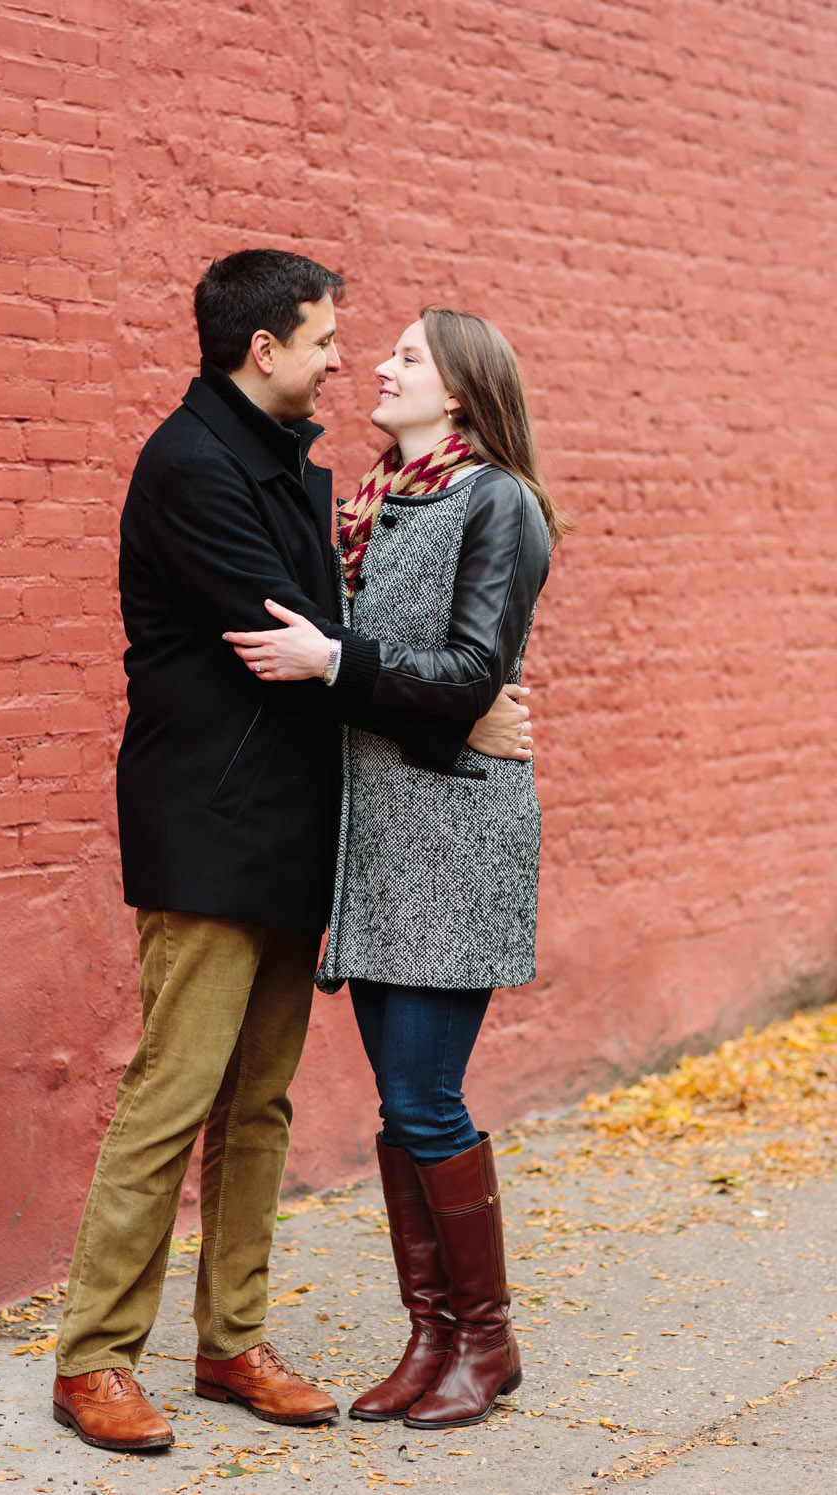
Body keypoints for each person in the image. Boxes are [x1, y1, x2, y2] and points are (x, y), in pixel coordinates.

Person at [51, 252, 534, 1455]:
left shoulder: (307, 471)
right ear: (261, 349)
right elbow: (297, 638)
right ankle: (96, 1358)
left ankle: (230, 1342)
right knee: (172, 1095)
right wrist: (453, 705)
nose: (343, 359)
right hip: (208, 829)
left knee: (257, 1103)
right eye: (324, 339)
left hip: (298, 830)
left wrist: (437, 691)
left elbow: (349, 642)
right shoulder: (191, 467)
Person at [223, 307, 565, 1430]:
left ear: (459, 391)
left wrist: (333, 658)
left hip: (455, 833)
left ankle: (489, 1339)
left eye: (408, 357)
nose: (377, 364)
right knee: (398, 1101)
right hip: (377, 835)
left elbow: (470, 667)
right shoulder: (377, 502)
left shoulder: (495, 502)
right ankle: (431, 1334)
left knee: (425, 1095)